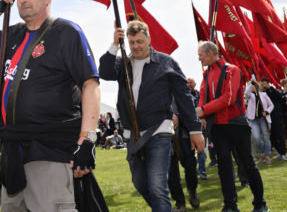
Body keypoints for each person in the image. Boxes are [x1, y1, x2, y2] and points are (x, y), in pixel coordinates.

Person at [0, 0, 101, 212]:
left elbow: (90, 85)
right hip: (13, 154)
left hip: (49, 148)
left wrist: (87, 140)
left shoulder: (66, 32)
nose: (22, 0)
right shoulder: (12, 33)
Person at [99, 20, 204, 212]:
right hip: (132, 134)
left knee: (157, 185)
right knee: (140, 183)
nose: (136, 46)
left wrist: (195, 130)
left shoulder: (167, 63)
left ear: (148, 38)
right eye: (131, 42)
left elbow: (184, 98)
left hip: (159, 130)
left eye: (139, 41)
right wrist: (115, 44)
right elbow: (104, 72)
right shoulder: (123, 62)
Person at [195, 41, 269, 212]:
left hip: (236, 124)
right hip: (218, 127)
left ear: (211, 52)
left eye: (201, 55)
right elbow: (202, 95)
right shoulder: (206, 74)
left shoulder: (232, 70)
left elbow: (228, 98)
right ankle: (230, 205)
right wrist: (203, 114)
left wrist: (203, 110)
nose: (198, 58)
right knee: (224, 167)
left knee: (247, 163)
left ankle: (260, 204)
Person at [245, 80, 274, 163]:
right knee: (256, 138)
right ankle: (261, 153)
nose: (250, 87)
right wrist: (251, 84)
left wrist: (267, 112)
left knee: (266, 138)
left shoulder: (264, 95)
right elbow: (246, 93)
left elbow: (271, 105)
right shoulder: (250, 96)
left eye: (252, 86)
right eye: (250, 86)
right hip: (253, 120)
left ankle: (267, 155)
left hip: (263, 120)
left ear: (257, 86)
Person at [260, 78, 287, 160]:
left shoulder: (274, 90)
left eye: (264, 83)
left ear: (268, 83)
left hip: (277, 116)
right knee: (272, 137)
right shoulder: (262, 93)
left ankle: (283, 154)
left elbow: (283, 99)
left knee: (280, 135)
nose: (263, 85)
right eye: (262, 84)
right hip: (268, 118)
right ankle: (279, 152)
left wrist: (272, 88)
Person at [188, 77, 208, 180]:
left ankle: (202, 171)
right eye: (187, 83)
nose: (189, 84)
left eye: (191, 82)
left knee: (201, 150)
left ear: (195, 84)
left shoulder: (200, 95)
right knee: (190, 151)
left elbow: (205, 108)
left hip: (201, 126)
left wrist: (203, 118)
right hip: (188, 127)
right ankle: (194, 171)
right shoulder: (183, 96)